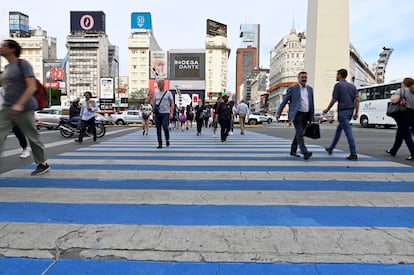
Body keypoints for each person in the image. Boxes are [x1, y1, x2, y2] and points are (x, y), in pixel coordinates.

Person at [0, 39, 49, 175]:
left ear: (12, 49)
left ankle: (42, 163)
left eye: (3, 46)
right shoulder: (7, 68)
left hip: (24, 107)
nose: (1, 48)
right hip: (7, 107)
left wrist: (19, 104)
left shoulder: (23, 64)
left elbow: (31, 86)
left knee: (33, 136)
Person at [276, 71, 315, 160]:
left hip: (306, 114)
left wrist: (311, 117)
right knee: (300, 133)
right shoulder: (293, 88)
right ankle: (304, 152)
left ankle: (293, 151)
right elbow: (285, 101)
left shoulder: (310, 89)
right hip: (297, 115)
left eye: (305, 77)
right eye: (302, 77)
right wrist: (279, 112)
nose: (304, 79)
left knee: (299, 133)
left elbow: (311, 103)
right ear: (298, 78)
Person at [323, 68, 359, 160]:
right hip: (350, 111)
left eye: (337, 74)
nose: (336, 76)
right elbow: (357, 100)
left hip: (342, 112)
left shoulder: (338, 85)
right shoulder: (353, 86)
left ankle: (353, 153)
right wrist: (356, 112)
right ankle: (331, 148)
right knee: (339, 130)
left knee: (348, 132)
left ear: (339, 75)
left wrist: (327, 109)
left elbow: (334, 99)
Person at [387, 77, 414, 160]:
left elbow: (394, 100)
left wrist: (392, 96)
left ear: (404, 83)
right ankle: (393, 150)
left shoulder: (401, 90)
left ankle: (413, 153)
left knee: (406, 135)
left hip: (402, 114)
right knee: (400, 133)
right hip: (412, 114)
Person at [153, 79, 174, 148]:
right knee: (158, 128)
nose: (158, 85)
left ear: (163, 84)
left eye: (160, 84)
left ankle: (167, 139)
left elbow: (172, 103)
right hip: (158, 113)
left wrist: (171, 112)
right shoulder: (156, 93)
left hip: (165, 113)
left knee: (165, 126)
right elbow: (154, 102)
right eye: (158, 84)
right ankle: (160, 143)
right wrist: (153, 112)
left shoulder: (168, 93)